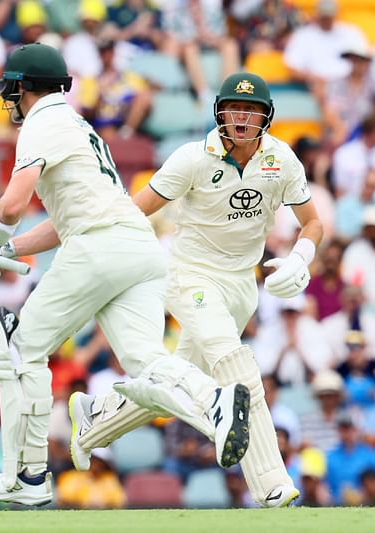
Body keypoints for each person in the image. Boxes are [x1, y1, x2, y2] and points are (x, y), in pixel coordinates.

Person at [0, 43, 251, 506]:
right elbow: (62, 220)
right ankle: (215, 399)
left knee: (19, 349)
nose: (8, 98)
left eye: (11, 89)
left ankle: (28, 476)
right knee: (146, 362)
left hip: (99, 246)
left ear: (24, 88)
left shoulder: (41, 122)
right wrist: (1, 249)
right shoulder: (77, 125)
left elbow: (12, 205)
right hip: (139, 247)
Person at [76, 72, 324, 507]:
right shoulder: (192, 158)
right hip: (190, 276)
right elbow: (138, 211)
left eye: (251, 110)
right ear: (220, 112)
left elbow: (313, 222)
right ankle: (270, 482)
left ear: (265, 116)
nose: (242, 117)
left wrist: (302, 257)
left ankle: (94, 421)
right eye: (234, 108)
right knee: (234, 363)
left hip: (242, 285)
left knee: (175, 388)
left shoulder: (281, 160)